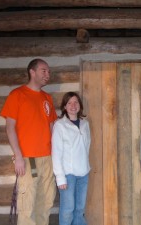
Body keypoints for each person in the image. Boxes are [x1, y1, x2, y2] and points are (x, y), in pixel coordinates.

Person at [0, 58, 57, 225]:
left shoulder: (47, 98)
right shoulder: (17, 94)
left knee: (46, 202)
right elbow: (10, 128)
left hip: (48, 158)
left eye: (49, 71)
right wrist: (18, 156)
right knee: (27, 204)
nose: (48, 74)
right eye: (44, 71)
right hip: (28, 159)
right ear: (32, 72)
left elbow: (53, 127)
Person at [52, 91, 91, 225]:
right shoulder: (60, 125)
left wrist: (86, 166)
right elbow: (56, 153)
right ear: (64, 106)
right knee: (68, 209)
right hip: (68, 174)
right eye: (69, 103)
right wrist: (60, 177)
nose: (73, 105)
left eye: (76, 102)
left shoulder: (85, 124)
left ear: (80, 105)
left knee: (79, 209)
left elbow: (87, 147)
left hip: (83, 173)